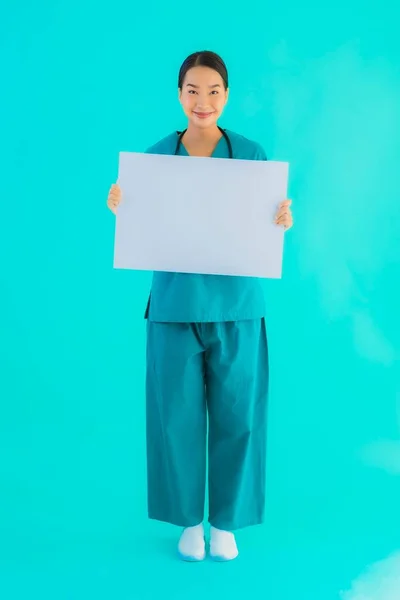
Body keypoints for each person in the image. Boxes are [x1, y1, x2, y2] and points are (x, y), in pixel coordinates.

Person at [107, 50, 293, 562]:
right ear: (179, 94)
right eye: (193, 90)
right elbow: (140, 224)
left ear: (227, 96)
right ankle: (189, 520)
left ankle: (227, 522)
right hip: (173, 308)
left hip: (237, 308)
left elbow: (263, 223)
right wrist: (121, 204)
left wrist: (280, 217)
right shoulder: (154, 160)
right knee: (175, 416)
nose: (203, 101)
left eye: (213, 91)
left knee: (240, 415)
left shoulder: (253, 157)